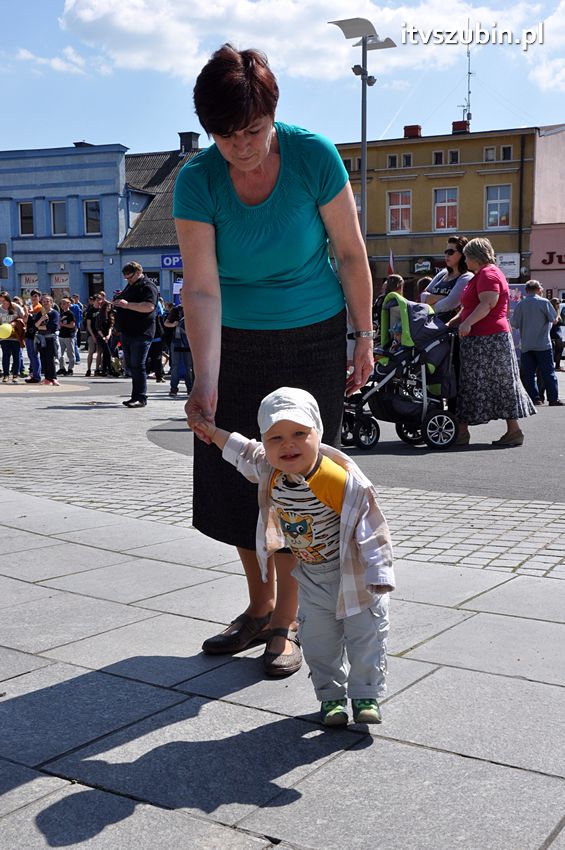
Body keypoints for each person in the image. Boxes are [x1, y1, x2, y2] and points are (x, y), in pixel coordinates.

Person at [173, 44, 375, 675]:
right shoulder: (197, 180)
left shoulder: (313, 154)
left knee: (296, 483)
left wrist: (364, 333)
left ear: (273, 114)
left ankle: (288, 621)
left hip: (311, 334)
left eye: (254, 130)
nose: (242, 145)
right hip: (233, 338)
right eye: (226, 135)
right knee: (238, 481)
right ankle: (258, 606)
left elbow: (349, 251)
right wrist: (204, 380)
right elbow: (202, 287)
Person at [190, 387, 394, 723]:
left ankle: (366, 695)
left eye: (300, 434)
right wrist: (212, 433)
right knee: (318, 642)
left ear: (318, 433)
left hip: (354, 576)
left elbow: (371, 526)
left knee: (366, 638)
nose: (288, 444)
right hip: (311, 578)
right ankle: (331, 698)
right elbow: (243, 450)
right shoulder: (270, 469)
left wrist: (380, 572)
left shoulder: (337, 479)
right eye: (276, 438)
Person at [448, 237, 536, 447]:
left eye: (467, 256)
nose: (465, 261)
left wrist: (467, 323)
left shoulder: (488, 273)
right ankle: (467, 431)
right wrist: (453, 322)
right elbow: (469, 306)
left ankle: (468, 432)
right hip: (481, 338)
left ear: (475, 257)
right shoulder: (480, 275)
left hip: (489, 339)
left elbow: (488, 303)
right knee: (484, 384)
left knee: (492, 384)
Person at [112, 261, 158, 408]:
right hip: (127, 331)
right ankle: (135, 396)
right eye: (126, 278)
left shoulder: (147, 286)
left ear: (138, 272)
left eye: (130, 277)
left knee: (138, 365)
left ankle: (140, 397)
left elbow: (149, 306)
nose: (128, 280)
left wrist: (127, 305)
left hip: (141, 332)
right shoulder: (130, 286)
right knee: (131, 366)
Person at [510, 281, 562, 407]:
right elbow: (554, 320)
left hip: (526, 345)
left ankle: (535, 399)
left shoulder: (520, 305)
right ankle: (553, 399)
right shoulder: (544, 302)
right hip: (543, 344)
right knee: (548, 372)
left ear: (526, 290)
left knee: (529, 374)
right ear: (538, 289)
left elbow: (514, 324)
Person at [421, 236, 472, 321]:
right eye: (446, 252)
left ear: (462, 254)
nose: (447, 255)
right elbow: (423, 296)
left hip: (450, 327)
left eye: (451, 252)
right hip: (431, 324)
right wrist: (443, 297)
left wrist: (429, 304)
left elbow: (449, 304)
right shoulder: (443, 273)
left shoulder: (466, 277)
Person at [164, 302, 193, 397]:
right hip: (176, 342)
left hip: (189, 342)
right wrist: (173, 325)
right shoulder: (176, 310)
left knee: (189, 367)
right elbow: (166, 323)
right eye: (180, 296)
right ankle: (173, 389)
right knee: (175, 366)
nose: (182, 298)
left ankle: (190, 389)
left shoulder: (193, 309)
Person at [35, 295, 60, 386]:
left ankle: (53, 378)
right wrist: (41, 319)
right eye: (44, 301)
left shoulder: (54, 313)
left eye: (47, 301)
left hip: (50, 338)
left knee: (50, 358)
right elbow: (36, 325)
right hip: (41, 339)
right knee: (43, 358)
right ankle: (46, 378)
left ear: (51, 303)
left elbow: (52, 327)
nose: (45, 303)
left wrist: (40, 327)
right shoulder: (39, 313)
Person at [0, 292, 25, 384]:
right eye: (1, 300)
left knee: (16, 356)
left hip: (15, 336)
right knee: (5, 356)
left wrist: (16, 322)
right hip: (4, 336)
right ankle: (6, 375)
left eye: (4, 300)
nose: (3, 302)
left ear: (8, 299)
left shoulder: (16, 307)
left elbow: (24, 319)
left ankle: (15, 375)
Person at [94, 292, 118, 377]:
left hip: (108, 336)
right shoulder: (99, 316)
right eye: (107, 306)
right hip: (101, 336)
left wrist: (108, 336)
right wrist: (103, 337)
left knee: (106, 353)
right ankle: (110, 370)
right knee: (107, 353)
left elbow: (111, 327)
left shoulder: (111, 316)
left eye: (110, 307)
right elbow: (98, 328)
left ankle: (104, 370)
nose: (109, 308)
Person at [24, 289, 42, 383]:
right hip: (28, 333)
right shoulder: (30, 307)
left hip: (36, 334)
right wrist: (27, 313)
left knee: (35, 355)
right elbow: (25, 321)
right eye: (33, 296)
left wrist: (31, 312)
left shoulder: (40, 307)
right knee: (31, 355)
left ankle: (37, 376)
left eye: (36, 296)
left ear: (39, 297)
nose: (34, 298)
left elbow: (43, 319)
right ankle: (34, 374)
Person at [57, 297, 76, 376]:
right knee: (60, 353)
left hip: (69, 336)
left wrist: (63, 325)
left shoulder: (70, 314)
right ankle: (62, 368)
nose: (62, 305)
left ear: (68, 304)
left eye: (64, 303)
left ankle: (70, 369)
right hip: (61, 335)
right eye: (61, 303)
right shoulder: (62, 313)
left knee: (70, 353)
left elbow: (72, 325)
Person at [84, 295, 101, 377]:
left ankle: (97, 369)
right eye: (97, 300)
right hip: (92, 334)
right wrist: (92, 335)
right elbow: (88, 325)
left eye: (100, 300)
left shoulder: (102, 310)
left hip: (100, 334)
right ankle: (88, 369)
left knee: (99, 352)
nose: (98, 302)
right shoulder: (91, 311)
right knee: (91, 352)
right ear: (94, 301)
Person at [549, 297, 565, 372]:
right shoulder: (550, 311)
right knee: (554, 350)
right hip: (553, 331)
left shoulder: (557, 311)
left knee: (560, 348)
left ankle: (557, 365)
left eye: (559, 303)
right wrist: (558, 316)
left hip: (558, 332)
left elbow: (560, 321)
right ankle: (554, 366)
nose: (558, 305)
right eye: (557, 303)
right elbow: (555, 321)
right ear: (553, 303)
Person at [70, 294, 83, 364]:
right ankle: (73, 358)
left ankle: (77, 359)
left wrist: (76, 326)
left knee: (74, 342)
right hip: (71, 327)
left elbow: (78, 318)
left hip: (74, 327)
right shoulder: (73, 307)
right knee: (71, 343)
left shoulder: (76, 307)